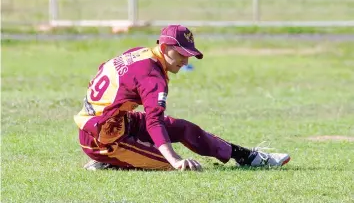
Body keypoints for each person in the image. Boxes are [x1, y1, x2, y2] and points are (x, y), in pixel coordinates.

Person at [74, 25, 290, 171]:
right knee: (173, 166)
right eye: (181, 54)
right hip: (104, 138)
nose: (185, 62)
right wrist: (175, 159)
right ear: (165, 47)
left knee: (186, 129)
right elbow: (153, 121)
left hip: (116, 121)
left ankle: (247, 156)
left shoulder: (141, 52)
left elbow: (104, 68)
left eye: (189, 55)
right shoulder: (152, 76)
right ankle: (106, 160)